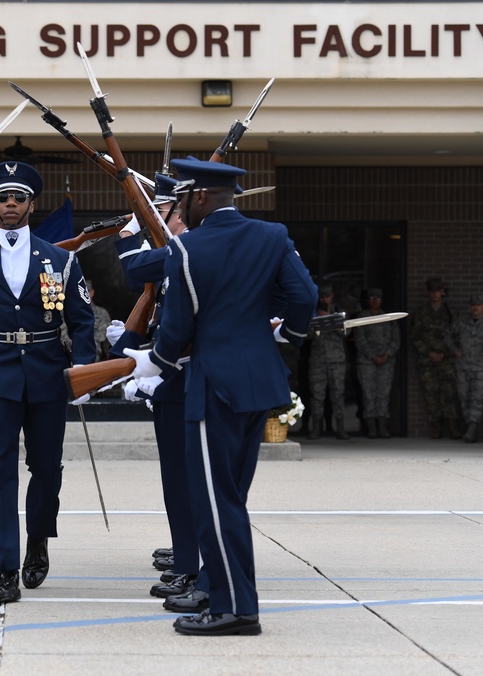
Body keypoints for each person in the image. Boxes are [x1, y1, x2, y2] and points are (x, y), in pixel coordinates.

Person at [125, 157, 317, 636]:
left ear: (201, 196)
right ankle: (223, 592)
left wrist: (156, 362)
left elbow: (179, 324)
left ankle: (235, 608)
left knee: (215, 502)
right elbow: (305, 295)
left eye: (183, 199)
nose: (180, 209)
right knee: (230, 497)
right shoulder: (273, 237)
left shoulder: (189, 248)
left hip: (215, 387)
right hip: (259, 386)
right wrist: (284, 334)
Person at [0, 161, 95, 604]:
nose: (10, 204)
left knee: (47, 469)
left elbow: (82, 320)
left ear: (32, 203)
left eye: (18, 198)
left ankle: (37, 539)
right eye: (2, 198)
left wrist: (84, 372)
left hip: (48, 372)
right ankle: (6, 569)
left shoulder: (62, 259)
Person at [112, 170, 202, 603]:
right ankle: (187, 555)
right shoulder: (177, 250)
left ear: (176, 211)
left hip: (187, 381)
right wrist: (132, 346)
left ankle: (192, 566)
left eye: (155, 209)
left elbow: (132, 268)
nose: (148, 216)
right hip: (174, 381)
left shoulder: (186, 249)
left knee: (188, 481)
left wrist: (132, 231)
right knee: (175, 480)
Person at [446, 293, 483, 443]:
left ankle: (472, 429)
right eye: (473, 305)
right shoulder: (462, 322)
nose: (475, 308)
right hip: (463, 366)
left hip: (481, 367)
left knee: (477, 398)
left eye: (478, 305)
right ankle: (470, 427)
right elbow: (447, 335)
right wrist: (454, 349)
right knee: (464, 397)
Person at [411, 277, 460, 439]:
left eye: (437, 291)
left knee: (449, 393)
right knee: (431, 394)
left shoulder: (450, 312)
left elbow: (456, 336)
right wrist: (429, 353)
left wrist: (445, 353)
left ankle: (453, 427)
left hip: (446, 360)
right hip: (427, 360)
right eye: (432, 291)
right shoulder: (421, 312)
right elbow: (415, 336)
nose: (435, 294)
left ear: (442, 292)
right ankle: (435, 427)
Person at [353, 288, 400, 438]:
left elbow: (396, 339)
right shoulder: (362, 317)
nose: (375, 300)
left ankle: (383, 428)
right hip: (367, 362)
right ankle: (371, 428)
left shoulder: (389, 318)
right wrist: (373, 356)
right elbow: (360, 340)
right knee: (368, 394)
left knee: (383, 394)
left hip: (386, 362)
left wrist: (386, 355)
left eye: (378, 297)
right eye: (372, 297)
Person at [306, 285, 350, 440]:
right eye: (322, 296)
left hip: (337, 360)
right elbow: (306, 336)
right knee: (317, 395)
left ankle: (341, 429)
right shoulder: (313, 313)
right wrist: (318, 320)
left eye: (327, 296)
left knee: (338, 395)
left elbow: (346, 332)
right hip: (318, 361)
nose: (325, 299)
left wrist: (330, 320)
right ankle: (317, 428)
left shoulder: (339, 313)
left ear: (333, 296)